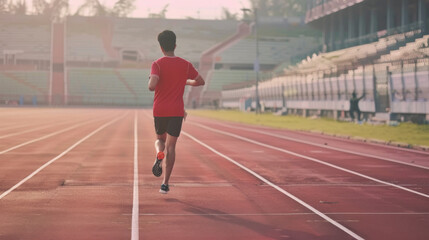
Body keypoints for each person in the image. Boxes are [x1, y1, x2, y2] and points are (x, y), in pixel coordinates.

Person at [148, 30, 205, 194]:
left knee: (160, 140)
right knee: (172, 147)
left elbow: (152, 86)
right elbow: (200, 81)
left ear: (161, 47)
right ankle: (165, 184)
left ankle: (159, 153)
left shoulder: (157, 64)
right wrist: (184, 81)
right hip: (176, 111)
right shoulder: (185, 64)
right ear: (175, 45)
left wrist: (151, 80)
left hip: (160, 109)